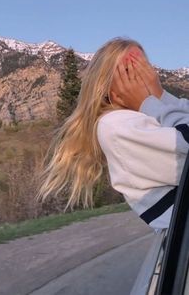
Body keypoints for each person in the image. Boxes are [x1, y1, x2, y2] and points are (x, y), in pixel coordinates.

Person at [36, 37, 189, 232]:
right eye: (129, 71)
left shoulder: (152, 114)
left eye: (144, 67)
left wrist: (159, 97)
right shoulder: (115, 126)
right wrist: (154, 99)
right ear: (106, 86)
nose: (142, 77)